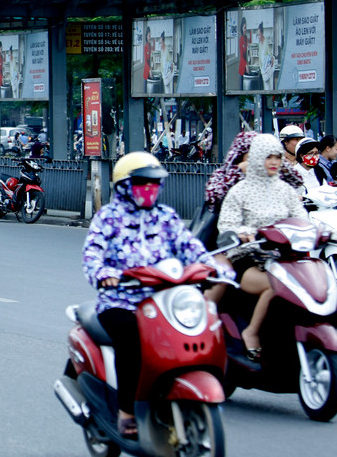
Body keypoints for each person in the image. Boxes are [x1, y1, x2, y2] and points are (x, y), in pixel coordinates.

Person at [82, 151, 233, 437]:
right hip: (122, 300)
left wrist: (213, 268)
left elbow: (192, 248)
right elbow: (92, 255)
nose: (149, 189)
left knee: (204, 325)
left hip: (165, 299)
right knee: (131, 340)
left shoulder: (166, 217)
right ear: (124, 186)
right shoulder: (108, 217)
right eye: (142, 183)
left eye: (154, 183)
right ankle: (127, 411)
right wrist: (104, 275)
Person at [217, 134, 308, 361]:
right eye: (268, 157)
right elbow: (226, 225)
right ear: (257, 158)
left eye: (277, 157)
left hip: (285, 259)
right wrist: (242, 233)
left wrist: (319, 231)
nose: (274, 162)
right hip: (248, 259)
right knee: (276, 286)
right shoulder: (240, 191)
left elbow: (302, 220)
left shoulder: (286, 191)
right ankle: (252, 333)